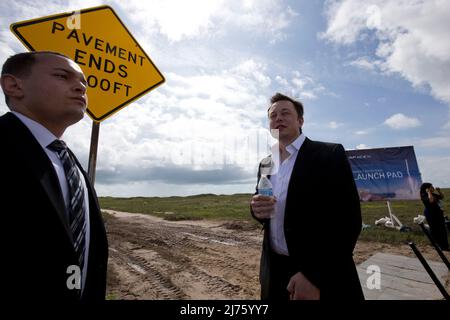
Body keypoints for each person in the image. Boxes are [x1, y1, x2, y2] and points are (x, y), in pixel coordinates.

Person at [0, 51, 108, 301]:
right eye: (62, 76)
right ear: (14, 85)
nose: (81, 87)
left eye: (84, 83)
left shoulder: (70, 163)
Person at [250, 93, 364, 300]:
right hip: (274, 271)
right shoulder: (266, 163)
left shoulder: (329, 154)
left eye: (285, 113)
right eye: (273, 115)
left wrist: (314, 275)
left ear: (300, 121)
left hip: (319, 272)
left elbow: (349, 220)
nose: (278, 118)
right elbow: (263, 206)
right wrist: (256, 210)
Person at [420, 183, 449, 251]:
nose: (433, 188)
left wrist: (439, 191)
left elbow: (441, 197)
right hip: (431, 214)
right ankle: (439, 246)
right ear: (427, 188)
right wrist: (428, 192)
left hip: (438, 213)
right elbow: (431, 200)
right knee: (435, 230)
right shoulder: (424, 195)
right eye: (431, 187)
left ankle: (445, 246)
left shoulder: (432, 194)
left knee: (442, 229)